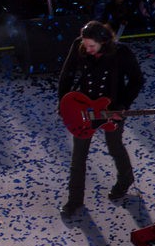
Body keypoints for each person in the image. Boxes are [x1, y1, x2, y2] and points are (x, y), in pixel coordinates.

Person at [57, 21, 145, 215]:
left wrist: (122, 106)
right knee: (78, 155)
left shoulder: (121, 53)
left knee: (114, 146)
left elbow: (137, 80)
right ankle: (74, 200)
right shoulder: (78, 46)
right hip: (84, 108)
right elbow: (67, 74)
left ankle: (125, 179)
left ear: (103, 42)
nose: (87, 49)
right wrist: (63, 103)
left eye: (91, 46)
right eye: (85, 45)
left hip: (111, 108)